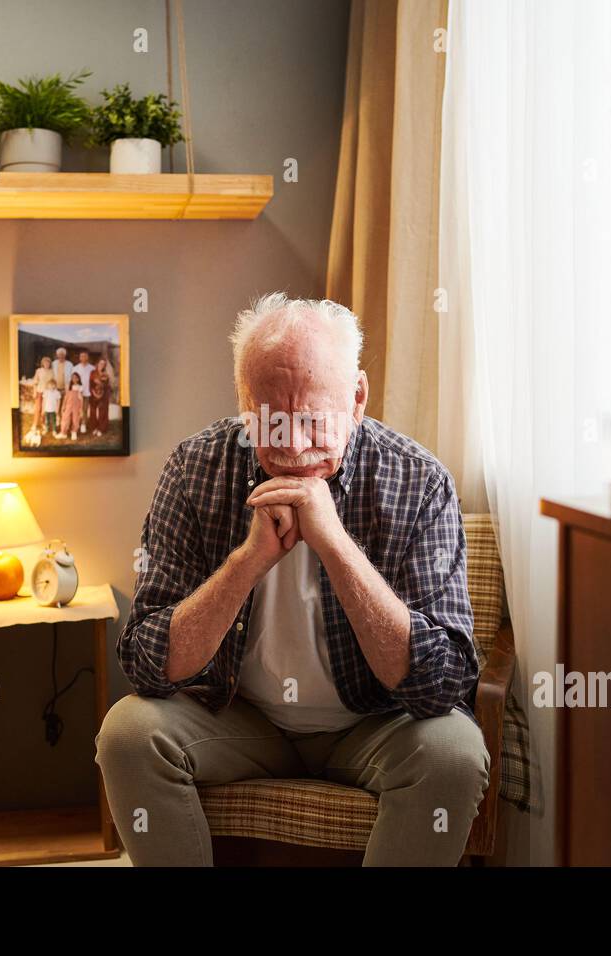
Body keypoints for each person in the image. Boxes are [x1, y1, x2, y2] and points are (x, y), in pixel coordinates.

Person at [94, 294, 487, 866]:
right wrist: (246, 562)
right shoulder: (194, 468)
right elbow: (149, 665)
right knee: (127, 733)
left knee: (454, 751)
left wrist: (335, 545)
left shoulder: (420, 481)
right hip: (239, 720)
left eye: (311, 421)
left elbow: (444, 686)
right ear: (242, 403)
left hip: (374, 724)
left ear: (357, 399)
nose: (292, 448)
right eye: (270, 420)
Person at [30, 356, 55, 433]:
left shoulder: (52, 371)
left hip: (48, 394)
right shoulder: (38, 371)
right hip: (39, 392)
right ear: (42, 363)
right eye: (45, 362)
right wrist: (34, 392)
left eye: (48, 362)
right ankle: (34, 424)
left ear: (50, 364)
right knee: (38, 409)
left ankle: (43, 423)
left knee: (44, 410)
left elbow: (53, 383)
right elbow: (35, 382)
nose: (46, 363)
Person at [73, 350, 96, 435]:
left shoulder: (92, 368)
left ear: (88, 357)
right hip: (77, 393)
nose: (83, 358)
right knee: (76, 410)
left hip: (87, 393)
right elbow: (72, 380)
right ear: (79, 358)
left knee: (85, 409)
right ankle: (76, 424)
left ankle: (83, 425)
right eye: (81, 356)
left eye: (85, 356)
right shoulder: (75, 368)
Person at [57, 370, 83, 440]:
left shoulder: (80, 387)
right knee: (65, 417)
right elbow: (66, 397)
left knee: (75, 418)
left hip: (76, 405)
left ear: (78, 379)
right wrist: (63, 405)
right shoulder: (68, 386)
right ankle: (63, 432)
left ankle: (74, 432)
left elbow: (81, 398)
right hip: (68, 403)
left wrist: (81, 408)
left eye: (76, 378)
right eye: (73, 377)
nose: (74, 379)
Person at [89, 358, 111, 437]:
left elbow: (107, 386)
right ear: (97, 363)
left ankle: (101, 428)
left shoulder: (106, 374)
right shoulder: (92, 373)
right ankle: (94, 427)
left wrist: (101, 385)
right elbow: (90, 384)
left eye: (103, 364)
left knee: (103, 412)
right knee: (93, 412)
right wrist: (94, 393)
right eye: (100, 363)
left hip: (103, 395)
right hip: (93, 394)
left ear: (105, 365)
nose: (102, 365)